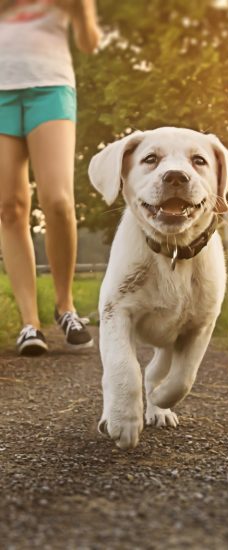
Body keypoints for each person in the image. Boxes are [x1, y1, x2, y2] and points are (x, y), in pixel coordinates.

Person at [0, 0, 101, 355]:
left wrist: (81, 9)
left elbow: (89, 43)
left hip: (51, 85)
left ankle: (65, 306)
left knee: (58, 201)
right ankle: (30, 323)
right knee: (10, 207)